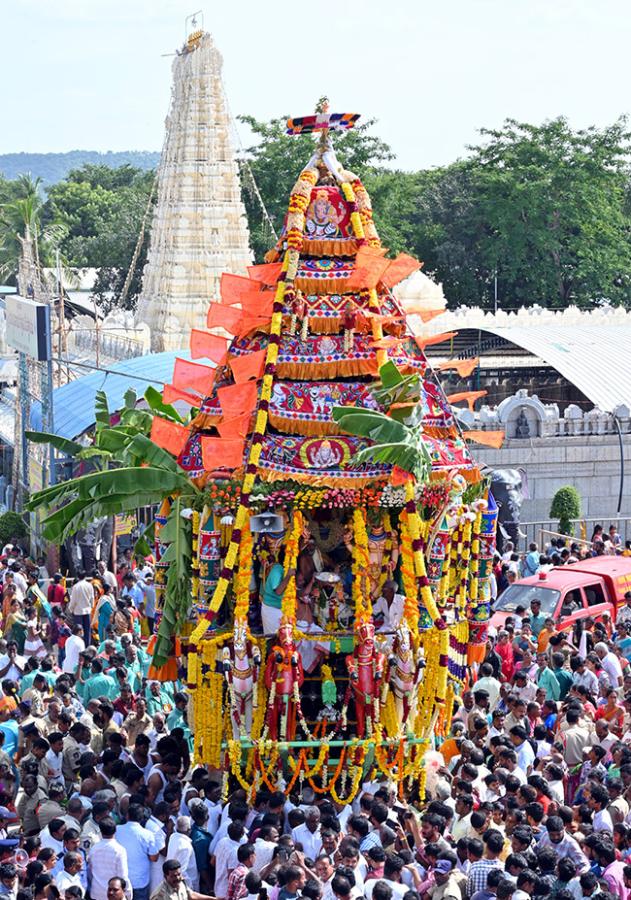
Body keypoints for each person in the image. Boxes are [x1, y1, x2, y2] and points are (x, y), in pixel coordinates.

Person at [67, 574, 95, 646]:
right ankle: (87, 646)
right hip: (87, 611)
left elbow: (73, 600)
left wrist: (70, 609)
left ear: (78, 577)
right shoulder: (89, 585)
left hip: (78, 612)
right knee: (87, 630)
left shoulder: (76, 587)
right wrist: (91, 606)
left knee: (78, 631)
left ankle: (79, 646)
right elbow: (92, 598)